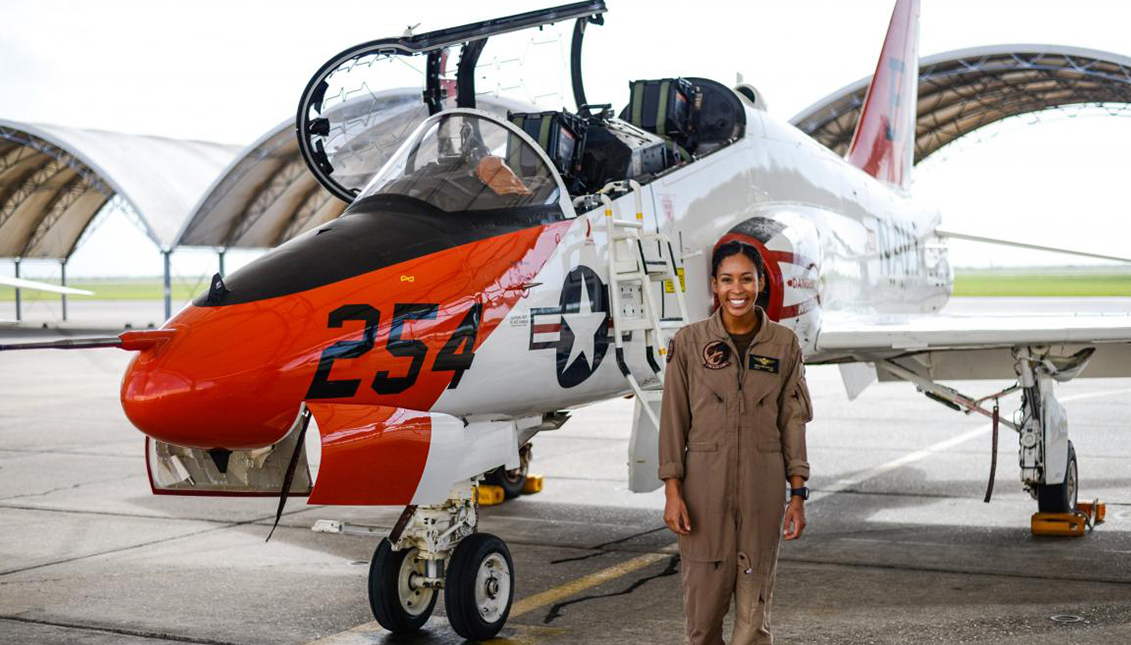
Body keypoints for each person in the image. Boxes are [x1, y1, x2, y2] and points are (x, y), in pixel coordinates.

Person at [659, 240, 813, 645]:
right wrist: (672, 493)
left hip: (762, 494)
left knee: (753, 624)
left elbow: (792, 422)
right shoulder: (689, 344)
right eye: (727, 280)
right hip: (702, 496)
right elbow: (673, 422)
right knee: (703, 623)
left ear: (761, 283)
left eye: (746, 278)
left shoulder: (784, 345)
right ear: (714, 285)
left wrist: (797, 494)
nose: (737, 289)